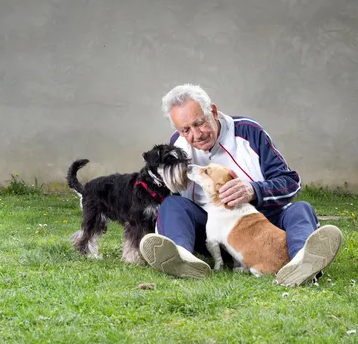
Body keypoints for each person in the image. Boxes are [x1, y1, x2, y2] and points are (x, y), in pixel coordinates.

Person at [138, 84, 343, 285]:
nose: (196, 135)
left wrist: (253, 189)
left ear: (214, 112)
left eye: (199, 123)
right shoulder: (177, 145)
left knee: (301, 209)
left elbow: (290, 182)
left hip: (261, 229)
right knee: (172, 205)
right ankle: (182, 258)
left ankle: (301, 263)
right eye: (185, 130)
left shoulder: (249, 132)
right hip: (211, 231)